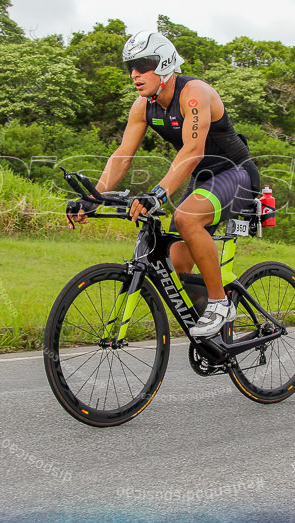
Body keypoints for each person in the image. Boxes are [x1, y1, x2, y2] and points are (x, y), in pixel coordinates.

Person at [72, 30, 260, 338]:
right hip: (202, 180)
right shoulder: (142, 106)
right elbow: (122, 155)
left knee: (186, 218)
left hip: (236, 173)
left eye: (143, 65)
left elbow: (193, 150)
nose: (135, 74)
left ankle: (220, 303)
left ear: (165, 63)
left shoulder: (194, 92)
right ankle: (218, 339)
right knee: (175, 264)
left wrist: (157, 194)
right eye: (130, 67)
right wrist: (93, 197)